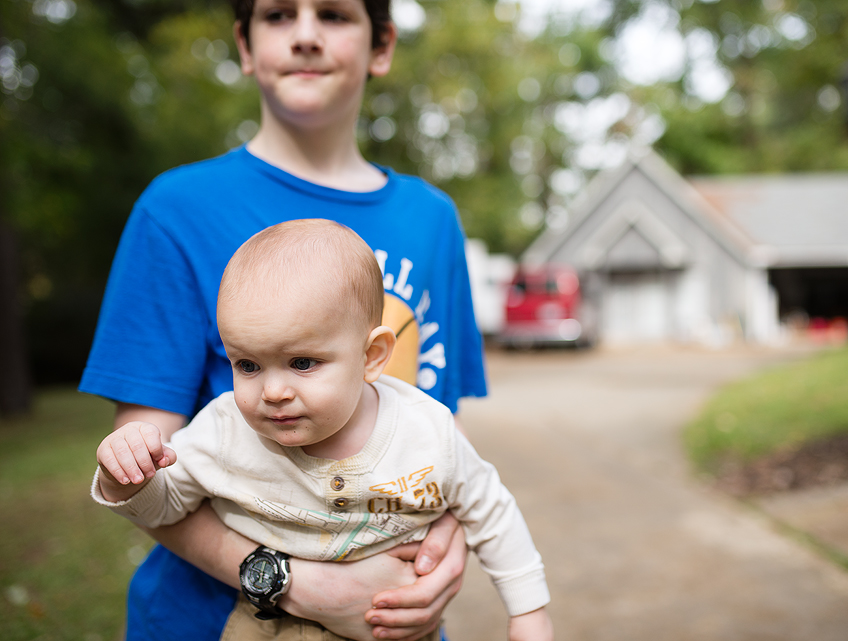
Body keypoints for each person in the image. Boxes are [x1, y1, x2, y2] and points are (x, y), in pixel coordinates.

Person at [79, 0, 487, 639]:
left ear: (381, 46)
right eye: (276, 15)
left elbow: (443, 434)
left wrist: (448, 550)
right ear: (244, 45)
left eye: (332, 14)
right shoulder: (176, 209)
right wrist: (295, 583)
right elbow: (143, 471)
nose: (304, 35)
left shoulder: (432, 219)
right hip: (206, 620)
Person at [92, 220, 553, 641]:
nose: (272, 390)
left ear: (371, 356)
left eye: (302, 363)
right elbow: (167, 507)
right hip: (262, 625)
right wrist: (129, 481)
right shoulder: (225, 429)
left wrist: (528, 610)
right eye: (247, 364)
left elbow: (492, 509)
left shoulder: (425, 429)